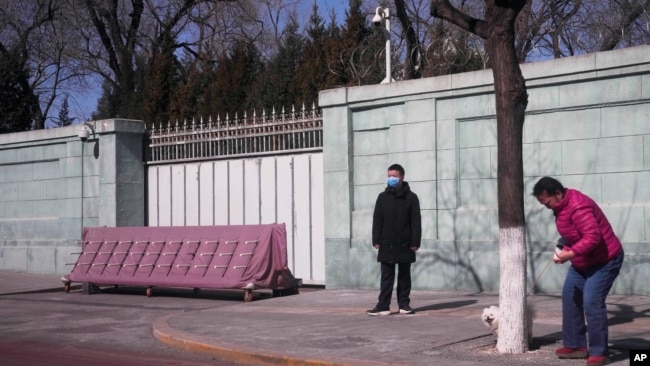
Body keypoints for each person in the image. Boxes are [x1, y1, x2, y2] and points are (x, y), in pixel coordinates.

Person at [532, 177, 624, 366]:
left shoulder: (578, 206)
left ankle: (599, 353)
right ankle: (576, 346)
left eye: (547, 202)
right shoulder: (561, 207)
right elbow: (574, 231)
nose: (546, 207)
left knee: (591, 300)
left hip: (605, 260)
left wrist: (570, 253)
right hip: (582, 262)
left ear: (558, 193)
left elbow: (593, 237)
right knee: (570, 296)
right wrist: (562, 244)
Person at [366, 164, 421, 316]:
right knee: (386, 277)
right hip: (386, 243)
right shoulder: (382, 197)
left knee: (404, 277)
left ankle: (404, 305)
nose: (391, 179)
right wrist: (376, 240)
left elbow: (416, 221)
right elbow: (377, 220)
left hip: (405, 243)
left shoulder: (412, 198)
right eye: (389, 175)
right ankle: (383, 306)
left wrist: (415, 242)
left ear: (402, 177)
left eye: (394, 176)